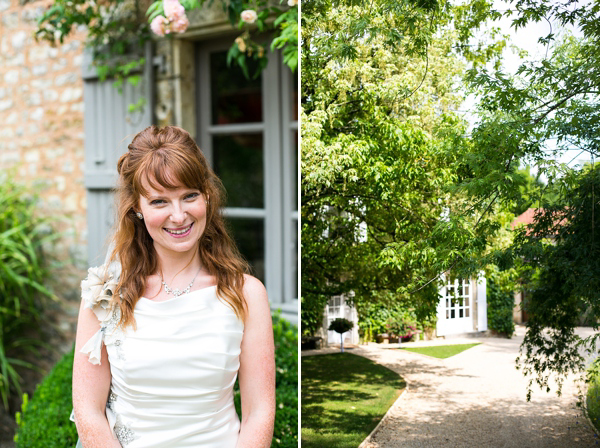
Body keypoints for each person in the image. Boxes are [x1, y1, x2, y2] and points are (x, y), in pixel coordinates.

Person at [72, 125, 275, 447]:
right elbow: (88, 410)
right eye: (159, 201)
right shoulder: (105, 294)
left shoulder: (247, 294)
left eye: (189, 196)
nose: (178, 216)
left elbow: (259, 413)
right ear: (137, 207)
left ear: (207, 196)